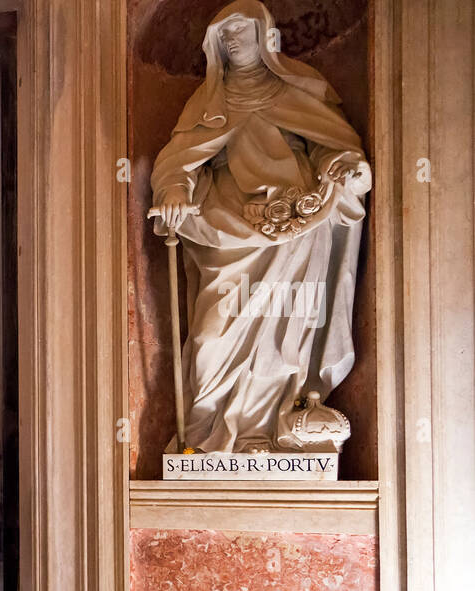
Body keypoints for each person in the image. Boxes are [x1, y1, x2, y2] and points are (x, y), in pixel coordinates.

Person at [150, 0, 371, 453]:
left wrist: (343, 169)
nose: (233, 40)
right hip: (231, 229)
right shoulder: (207, 104)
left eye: (242, 31)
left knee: (287, 326)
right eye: (225, 35)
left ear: (266, 37)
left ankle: (274, 431)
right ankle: (209, 436)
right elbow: (178, 161)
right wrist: (174, 189)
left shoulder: (303, 90)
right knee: (213, 335)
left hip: (298, 226)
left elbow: (331, 148)